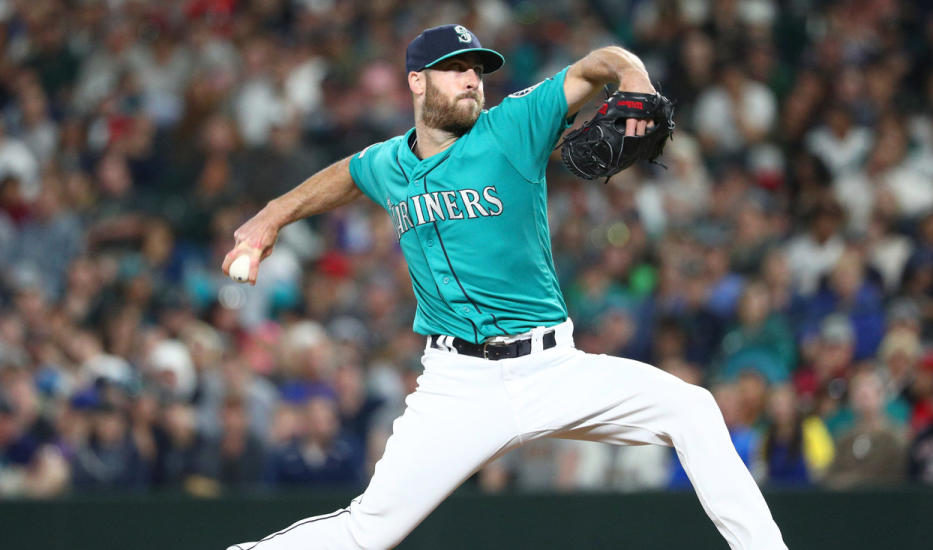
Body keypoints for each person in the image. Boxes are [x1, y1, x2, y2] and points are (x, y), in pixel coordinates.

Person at [222, 24, 788, 550]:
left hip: (550, 367)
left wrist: (633, 76)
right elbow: (346, 174)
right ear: (417, 81)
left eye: (478, 69)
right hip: (457, 384)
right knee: (371, 530)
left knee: (691, 408)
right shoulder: (389, 162)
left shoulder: (513, 126)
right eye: (455, 68)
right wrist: (273, 215)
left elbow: (597, 65)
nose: (472, 78)